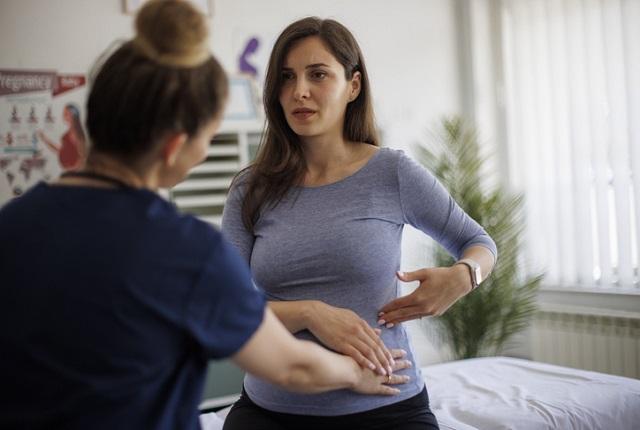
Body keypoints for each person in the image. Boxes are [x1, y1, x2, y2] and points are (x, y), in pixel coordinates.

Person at [0, 3, 409, 429]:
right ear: (175, 146)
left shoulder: (11, 224)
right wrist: (355, 373)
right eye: (207, 139)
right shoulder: (183, 251)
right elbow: (292, 368)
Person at [221, 17, 497, 430]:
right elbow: (225, 307)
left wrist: (463, 276)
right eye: (286, 77)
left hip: (388, 405)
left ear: (353, 86)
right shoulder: (250, 189)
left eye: (318, 75)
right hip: (270, 410)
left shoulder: (392, 172)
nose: (299, 91)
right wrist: (309, 313)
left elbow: (478, 242)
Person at [37, 103, 87, 171]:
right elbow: (60, 150)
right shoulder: (70, 132)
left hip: (73, 174)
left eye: (66, 113)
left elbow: (83, 156)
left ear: (73, 115)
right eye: (64, 113)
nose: (63, 115)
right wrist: (45, 139)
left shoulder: (76, 133)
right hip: (69, 172)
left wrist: (73, 170)